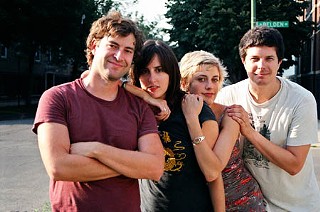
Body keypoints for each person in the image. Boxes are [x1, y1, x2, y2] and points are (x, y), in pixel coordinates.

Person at [31, 11, 164, 211]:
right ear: (94, 45)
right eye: (113, 45)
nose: (120, 56)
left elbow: (154, 168)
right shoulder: (57, 98)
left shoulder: (139, 106)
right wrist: (130, 164)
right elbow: (59, 167)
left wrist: (96, 150)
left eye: (128, 50)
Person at [215, 26, 320, 211]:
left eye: (269, 59)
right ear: (243, 61)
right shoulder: (226, 96)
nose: (261, 66)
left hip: (296, 206)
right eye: (254, 59)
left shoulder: (301, 100)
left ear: (279, 62)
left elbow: (294, 164)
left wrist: (249, 132)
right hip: (250, 204)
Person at [125, 39, 225, 211]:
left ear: (171, 72)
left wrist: (191, 119)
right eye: (144, 71)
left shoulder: (196, 109)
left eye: (159, 70)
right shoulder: (134, 107)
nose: (152, 79)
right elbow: (103, 79)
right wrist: (147, 98)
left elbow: (213, 175)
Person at [179, 50, 267, 211]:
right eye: (201, 79)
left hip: (243, 201)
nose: (210, 86)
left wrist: (192, 121)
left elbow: (213, 170)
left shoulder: (230, 115)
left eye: (215, 79)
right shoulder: (175, 116)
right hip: (199, 203)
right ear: (184, 83)